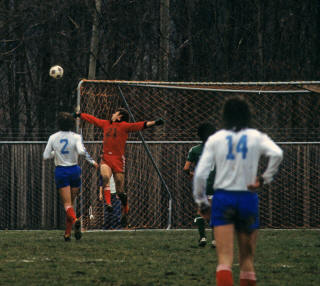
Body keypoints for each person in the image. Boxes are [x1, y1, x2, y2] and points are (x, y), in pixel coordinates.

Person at [193, 97, 283, 286]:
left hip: (223, 197)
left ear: (224, 116)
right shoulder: (255, 136)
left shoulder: (216, 139)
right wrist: (264, 178)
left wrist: (201, 202)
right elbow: (277, 154)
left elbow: (200, 174)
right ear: (247, 114)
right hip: (247, 198)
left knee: (224, 260)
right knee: (247, 261)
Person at [75, 108, 164, 227]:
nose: (112, 114)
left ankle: (125, 209)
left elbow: (140, 125)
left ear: (119, 117)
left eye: (114, 113)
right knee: (105, 176)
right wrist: (80, 115)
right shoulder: (105, 124)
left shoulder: (125, 126)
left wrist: (155, 122)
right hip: (106, 158)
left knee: (120, 191)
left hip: (118, 160)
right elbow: (93, 119)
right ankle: (108, 203)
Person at [43, 112, 98, 241]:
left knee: (67, 205)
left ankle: (75, 220)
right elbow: (81, 151)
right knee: (72, 204)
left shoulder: (53, 137)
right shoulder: (77, 137)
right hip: (75, 170)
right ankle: (67, 234)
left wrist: (55, 153)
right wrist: (93, 162)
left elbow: (46, 156)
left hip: (61, 171)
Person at [183, 123, 216, 247]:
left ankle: (202, 237)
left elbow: (185, 168)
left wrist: (192, 175)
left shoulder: (195, 150)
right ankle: (215, 240)